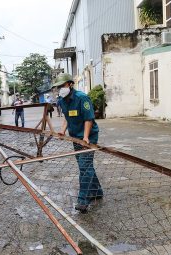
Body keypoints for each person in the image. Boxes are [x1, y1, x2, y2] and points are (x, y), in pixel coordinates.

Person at [55, 73, 103, 214]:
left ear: (70, 84)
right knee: (85, 166)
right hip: (75, 137)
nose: (60, 89)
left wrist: (86, 137)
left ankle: (83, 200)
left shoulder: (82, 98)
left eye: (62, 85)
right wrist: (62, 131)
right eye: (58, 87)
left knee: (84, 167)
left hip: (88, 138)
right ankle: (97, 191)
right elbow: (67, 117)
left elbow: (88, 119)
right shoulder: (63, 100)